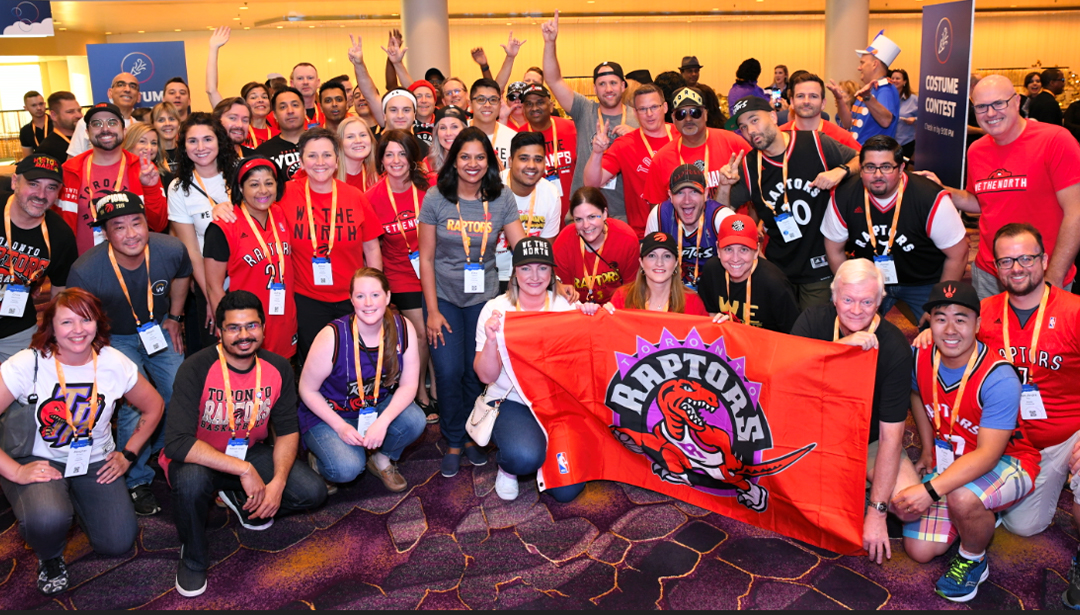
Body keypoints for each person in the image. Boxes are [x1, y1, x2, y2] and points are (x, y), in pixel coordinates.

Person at [163, 290, 327, 598]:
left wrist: (277, 483)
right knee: (190, 485)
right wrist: (244, 470)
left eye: (251, 326)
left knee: (312, 493)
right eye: (233, 328)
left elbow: (289, 429)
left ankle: (236, 497)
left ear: (264, 328)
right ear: (219, 331)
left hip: (249, 452)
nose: (243, 335)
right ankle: (193, 557)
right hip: (200, 457)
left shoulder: (277, 367)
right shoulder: (196, 367)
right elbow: (176, 443)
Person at [0, 288, 164, 595]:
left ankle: (69, 496)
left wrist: (128, 454)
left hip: (95, 460)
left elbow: (154, 407)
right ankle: (50, 557)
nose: (78, 330)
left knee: (117, 542)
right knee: (47, 518)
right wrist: (15, 472)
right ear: (50, 327)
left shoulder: (113, 361)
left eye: (86, 320)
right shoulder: (28, 364)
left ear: (98, 323)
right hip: (38, 459)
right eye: (67, 322)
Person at [899, 280, 1039, 602]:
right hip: (955, 457)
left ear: (977, 324)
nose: (950, 329)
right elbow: (917, 394)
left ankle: (973, 558)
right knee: (920, 550)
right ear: (928, 322)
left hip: (1010, 460)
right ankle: (983, 514)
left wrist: (930, 489)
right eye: (940, 318)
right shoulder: (920, 356)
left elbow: (989, 454)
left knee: (962, 497)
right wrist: (928, 449)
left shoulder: (999, 376)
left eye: (961, 319)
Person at [66, 191, 191, 516]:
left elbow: (182, 275)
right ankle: (136, 478)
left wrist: (175, 317)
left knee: (179, 389)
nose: (131, 233)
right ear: (105, 233)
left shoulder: (170, 248)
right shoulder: (86, 270)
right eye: (119, 227)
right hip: (114, 339)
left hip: (158, 329)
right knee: (135, 405)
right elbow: (77, 319)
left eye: (137, 223)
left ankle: (169, 452)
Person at [791, 259, 917, 567]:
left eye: (866, 301)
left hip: (868, 439)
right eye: (848, 300)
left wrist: (877, 512)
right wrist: (841, 350)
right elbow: (787, 378)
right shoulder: (812, 320)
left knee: (905, 507)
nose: (857, 310)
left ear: (880, 301)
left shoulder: (895, 347)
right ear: (833, 297)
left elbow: (891, 437)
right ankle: (845, 486)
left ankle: (857, 490)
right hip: (813, 434)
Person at [417, 126, 527, 478]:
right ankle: (451, 439)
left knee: (475, 373)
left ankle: (469, 435)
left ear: (490, 161)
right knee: (448, 372)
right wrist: (432, 311)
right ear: (454, 160)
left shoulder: (501, 197)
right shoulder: (436, 197)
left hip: (485, 301)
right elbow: (427, 257)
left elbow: (521, 247)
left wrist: (555, 281)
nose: (473, 163)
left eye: (480, 156)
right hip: (445, 299)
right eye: (465, 156)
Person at [916, 74, 1080, 299]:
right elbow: (981, 201)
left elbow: (1076, 212)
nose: (991, 113)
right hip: (989, 272)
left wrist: (1054, 278)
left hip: (1041, 273)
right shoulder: (977, 150)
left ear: (1017, 102)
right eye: (982, 107)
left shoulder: (1055, 140)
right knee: (990, 333)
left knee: (1043, 335)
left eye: (998, 103)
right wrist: (941, 189)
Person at [475, 237, 589, 502]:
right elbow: (485, 376)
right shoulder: (496, 309)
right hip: (512, 400)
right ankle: (509, 466)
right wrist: (492, 341)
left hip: (557, 402)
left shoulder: (565, 307)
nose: (534, 276)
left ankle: (546, 451)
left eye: (542, 268)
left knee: (566, 491)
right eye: (526, 268)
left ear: (552, 273)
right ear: (514, 272)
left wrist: (592, 317)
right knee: (523, 456)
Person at [718, 96, 858, 310]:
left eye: (755, 120)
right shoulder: (748, 165)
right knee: (781, 331)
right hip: (778, 267)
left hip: (819, 265)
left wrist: (841, 170)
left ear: (773, 116)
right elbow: (721, 213)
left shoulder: (815, 142)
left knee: (810, 333)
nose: (751, 131)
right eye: (743, 127)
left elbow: (861, 158)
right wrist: (725, 186)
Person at [298, 268, 426, 493]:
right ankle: (319, 460)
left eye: (375, 295)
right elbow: (307, 390)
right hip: (331, 413)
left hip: (374, 404)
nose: (368, 303)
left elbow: (409, 385)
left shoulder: (403, 327)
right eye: (360, 296)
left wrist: (382, 422)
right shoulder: (332, 336)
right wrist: (340, 427)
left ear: (387, 297)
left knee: (415, 420)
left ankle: (381, 459)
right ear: (351, 300)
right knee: (347, 468)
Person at [823, 135, 969, 323]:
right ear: (860, 170)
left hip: (924, 280)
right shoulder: (843, 196)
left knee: (942, 326)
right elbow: (833, 250)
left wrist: (939, 302)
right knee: (842, 322)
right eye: (870, 167)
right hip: (870, 278)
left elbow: (959, 253)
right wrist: (851, 289)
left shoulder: (930, 198)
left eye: (886, 167)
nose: (877, 175)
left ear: (901, 169)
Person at [541, 10, 639, 223]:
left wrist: (637, 137)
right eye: (602, 84)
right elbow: (554, 80)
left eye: (613, 83)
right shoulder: (584, 109)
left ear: (623, 86)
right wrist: (550, 43)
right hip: (583, 212)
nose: (608, 89)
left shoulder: (638, 117)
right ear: (595, 88)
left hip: (624, 214)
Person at [364, 130, 437, 417]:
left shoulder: (431, 186)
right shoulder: (372, 197)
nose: (396, 160)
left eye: (402, 153)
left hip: (435, 268)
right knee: (420, 333)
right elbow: (372, 246)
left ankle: (437, 385)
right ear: (381, 160)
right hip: (401, 272)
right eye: (389, 154)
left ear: (413, 157)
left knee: (436, 330)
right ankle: (418, 388)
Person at [203, 156, 296, 359]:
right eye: (254, 184)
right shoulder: (223, 227)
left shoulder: (280, 213)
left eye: (269, 183)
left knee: (281, 373)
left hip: (283, 316)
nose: (263, 190)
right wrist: (227, 326)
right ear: (240, 188)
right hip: (245, 323)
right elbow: (213, 286)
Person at [58, 103, 169, 254]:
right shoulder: (68, 171)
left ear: (123, 130)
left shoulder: (141, 169)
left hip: (134, 264)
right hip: (83, 267)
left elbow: (159, 224)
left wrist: (150, 189)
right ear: (87, 132)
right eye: (97, 124)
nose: (105, 129)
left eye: (112, 122)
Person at [169, 113, 238, 350]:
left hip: (248, 272)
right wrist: (211, 295)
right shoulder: (179, 187)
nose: (200, 147)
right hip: (207, 277)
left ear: (220, 141)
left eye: (207, 139)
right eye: (192, 141)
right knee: (217, 344)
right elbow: (191, 250)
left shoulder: (242, 174)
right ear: (183, 145)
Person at [0, 154, 78, 361]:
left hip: (15, 327)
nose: (41, 194)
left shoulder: (61, 235)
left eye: (51, 187)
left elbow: (60, 290)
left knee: (33, 383)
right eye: (33, 184)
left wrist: (54, 331)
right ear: (15, 182)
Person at [584, 83, 677, 237]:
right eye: (642, 109)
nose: (649, 113)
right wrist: (597, 153)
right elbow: (592, 183)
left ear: (665, 107)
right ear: (635, 112)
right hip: (645, 233)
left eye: (654, 107)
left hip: (686, 229)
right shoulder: (625, 144)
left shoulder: (681, 136)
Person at [643, 87, 750, 207]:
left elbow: (760, 186)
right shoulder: (661, 159)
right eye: (681, 114)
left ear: (705, 115)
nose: (688, 119)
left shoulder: (734, 143)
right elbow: (657, 211)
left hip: (734, 224)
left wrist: (751, 224)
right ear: (673, 118)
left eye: (695, 113)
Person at [698, 213, 799, 333]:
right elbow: (710, 312)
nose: (735, 258)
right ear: (718, 250)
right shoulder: (712, 271)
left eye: (744, 249)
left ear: (756, 251)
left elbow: (793, 333)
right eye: (728, 249)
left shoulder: (774, 283)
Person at [643, 164, 730, 290]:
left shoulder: (721, 217)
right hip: (674, 289)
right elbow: (648, 264)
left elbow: (743, 264)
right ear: (670, 196)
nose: (687, 200)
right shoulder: (659, 215)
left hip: (716, 290)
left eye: (694, 192)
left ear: (705, 194)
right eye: (680, 193)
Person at [495, 131, 562, 292]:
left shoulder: (551, 193)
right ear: (510, 161)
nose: (531, 165)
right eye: (524, 158)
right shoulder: (492, 187)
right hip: (489, 275)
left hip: (530, 278)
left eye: (538, 160)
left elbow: (546, 248)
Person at [553, 187, 639, 304]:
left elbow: (631, 290)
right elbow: (564, 293)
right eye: (578, 219)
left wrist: (612, 310)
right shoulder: (564, 242)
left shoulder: (626, 239)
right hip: (577, 309)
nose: (586, 225)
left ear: (604, 214)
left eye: (592, 217)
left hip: (615, 309)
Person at [606, 231, 708, 315]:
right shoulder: (623, 297)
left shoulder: (692, 301)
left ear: (676, 263)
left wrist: (721, 323)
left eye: (667, 256)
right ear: (641, 262)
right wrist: (596, 313)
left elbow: (706, 335)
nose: (659, 263)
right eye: (652, 256)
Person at [828, 31, 901, 145]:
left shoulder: (884, 89)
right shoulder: (869, 90)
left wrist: (868, 97)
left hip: (874, 157)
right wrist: (840, 99)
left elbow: (886, 121)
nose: (859, 67)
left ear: (874, 64)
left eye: (862, 63)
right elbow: (847, 124)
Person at [520, 84, 576, 219]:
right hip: (535, 213)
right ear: (523, 109)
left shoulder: (572, 129)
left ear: (551, 105)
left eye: (540, 103)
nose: (534, 108)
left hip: (572, 210)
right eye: (529, 104)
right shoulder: (518, 137)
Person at [778, 72, 861, 151]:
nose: (806, 101)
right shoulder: (779, 135)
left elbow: (864, 160)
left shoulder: (840, 137)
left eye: (813, 96)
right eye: (800, 96)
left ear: (823, 103)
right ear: (792, 102)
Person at [67, 73, 140, 158]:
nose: (127, 89)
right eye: (120, 85)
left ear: (138, 97)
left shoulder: (139, 127)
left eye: (133, 86)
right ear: (110, 93)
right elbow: (72, 160)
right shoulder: (88, 122)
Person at [254, 87, 306, 179]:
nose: (290, 111)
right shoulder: (263, 152)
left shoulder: (321, 144)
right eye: (283, 107)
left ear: (304, 110)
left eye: (295, 105)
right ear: (274, 115)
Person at [469, 78, 517, 170]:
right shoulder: (458, 131)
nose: (487, 105)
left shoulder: (513, 138)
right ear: (471, 103)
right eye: (481, 99)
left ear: (500, 104)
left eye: (493, 100)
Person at [121, 123, 172, 190]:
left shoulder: (165, 176)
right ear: (129, 143)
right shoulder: (119, 172)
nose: (149, 147)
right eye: (142, 141)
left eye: (153, 143)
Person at [34, 91, 82, 162]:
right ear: (54, 115)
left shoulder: (87, 138)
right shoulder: (46, 152)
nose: (79, 115)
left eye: (79, 110)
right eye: (70, 112)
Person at [337, 116, 379, 192]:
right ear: (340, 143)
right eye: (350, 137)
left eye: (363, 135)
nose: (358, 140)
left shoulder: (375, 179)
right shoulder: (329, 176)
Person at [428, 105, 469, 173]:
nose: (448, 133)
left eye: (454, 127)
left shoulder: (480, 159)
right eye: (443, 128)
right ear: (436, 133)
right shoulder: (427, 164)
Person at [890, 69, 918, 160]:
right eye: (892, 78)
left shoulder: (913, 99)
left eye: (897, 78)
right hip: (888, 142)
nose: (894, 80)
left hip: (905, 142)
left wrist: (914, 119)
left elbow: (925, 117)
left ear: (905, 81)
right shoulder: (886, 97)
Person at [242, 82, 278, 148]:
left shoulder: (278, 135)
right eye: (253, 97)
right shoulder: (240, 133)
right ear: (245, 103)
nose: (260, 100)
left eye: (264, 97)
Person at [150, 102, 182, 173]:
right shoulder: (151, 155)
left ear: (178, 123)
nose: (167, 124)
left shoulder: (187, 152)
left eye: (171, 119)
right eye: (161, 120)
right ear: (153, 125)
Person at [290, 62, 324, 129]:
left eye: (310, 78)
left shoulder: (327, 112)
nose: (305, 82)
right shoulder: (284, 114)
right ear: (292, 84)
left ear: (318, 83)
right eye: (300, 78)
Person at [20, 91, 52, 158]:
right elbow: (28, 158)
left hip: (62, 164)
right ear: (26, 108)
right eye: (34, 105)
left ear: (45, 104)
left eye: (41, 104)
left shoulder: (58, 124)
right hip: (40, 166)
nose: (39, 108)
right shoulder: (25, 131)